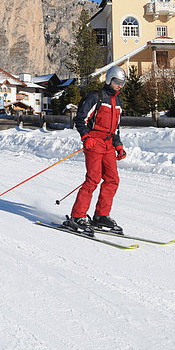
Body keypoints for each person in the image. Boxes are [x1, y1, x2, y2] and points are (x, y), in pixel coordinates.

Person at [65, 65, 127, 235]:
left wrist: (118, 145)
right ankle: (77, 216)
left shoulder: (118, 102)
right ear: (109, 80)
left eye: (122, 83)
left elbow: (115, 128)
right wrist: (86, 137)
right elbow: (80, 119)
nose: (119, 86)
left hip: (108, 145)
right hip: (94, 142)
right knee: (93, 179)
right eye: (116, 82)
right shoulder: (96, 97)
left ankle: (101, 215)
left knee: (113, 179)